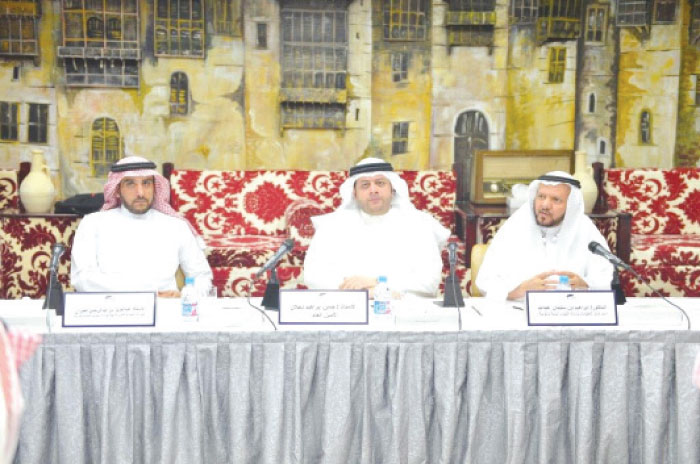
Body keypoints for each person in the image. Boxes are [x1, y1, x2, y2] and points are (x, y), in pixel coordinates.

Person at [303, 157, 450, 297]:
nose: (373, 190)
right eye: (365, 185)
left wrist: (377, 284)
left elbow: (430, 280)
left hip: (403, 310)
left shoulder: (418, 224)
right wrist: (360, 294)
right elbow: (313, 275)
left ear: (393, 189)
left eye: (380, 183)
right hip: (348, 308)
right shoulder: (332, 226)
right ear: (354, 193)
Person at [71, 156, 212, 297]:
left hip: (164, 311)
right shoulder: (92, 224)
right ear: (117, 189)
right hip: (109, 311)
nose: (140, 193)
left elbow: (201, 276)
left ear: (155, 187)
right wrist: (146, 294)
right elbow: (82, 279)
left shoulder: (175, 226)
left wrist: (186, 296)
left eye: (146, 183)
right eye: (130, 184)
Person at [475, 171, 614, 301]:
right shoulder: (516, 225)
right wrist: (519, 290)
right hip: (519, 315)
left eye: (556, 200)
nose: (545, 205)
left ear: (570, 206)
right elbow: (485, 281)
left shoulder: (584, 228)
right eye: (541, 197)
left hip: (571, 316)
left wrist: (586, 285)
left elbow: (606, 278)